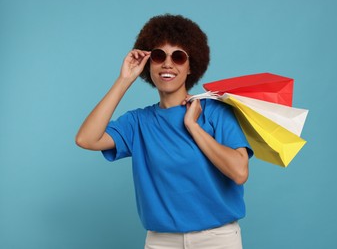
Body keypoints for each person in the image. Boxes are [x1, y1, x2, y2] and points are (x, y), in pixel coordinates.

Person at [76, 14, 253, 249]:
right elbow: (86, 139)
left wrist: (193, 127)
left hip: (217, 239)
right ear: (149, 64)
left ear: (191, 67)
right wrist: (124, 80)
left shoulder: (215, 111)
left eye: (178, 57)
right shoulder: (138, 122)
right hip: (161, 241)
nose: (168, 64)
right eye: (159, 56)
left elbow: (240, 172)